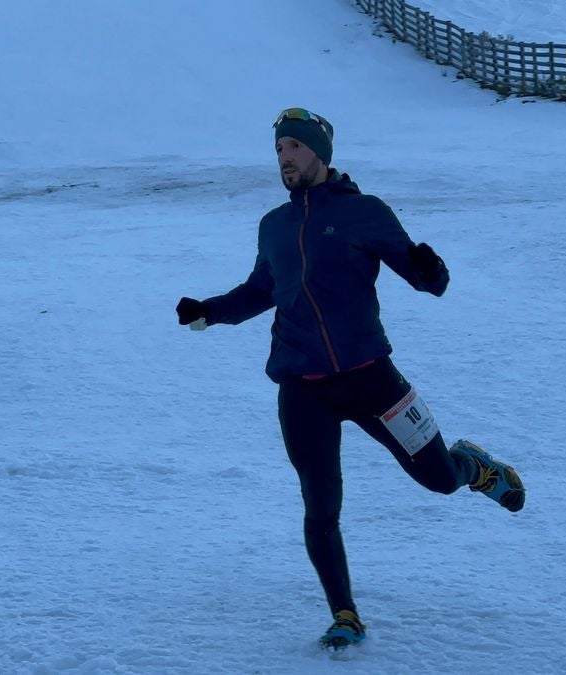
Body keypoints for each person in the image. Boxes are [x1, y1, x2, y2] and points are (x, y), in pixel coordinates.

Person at [175, 108, 525, 651]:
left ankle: (472, 468)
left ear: (319, 152)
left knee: (437, 480)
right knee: (320, 504)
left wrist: (431, 269)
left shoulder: (366, 213)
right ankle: (345, 614)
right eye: (278, 150)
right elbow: (260, 290)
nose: (283, 158)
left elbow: (425, 279)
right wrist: (210, 311)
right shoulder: (275, 225)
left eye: (292, 146)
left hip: (372, 378)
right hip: (302, 387)